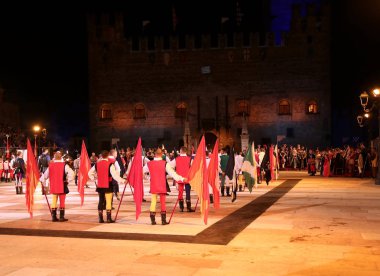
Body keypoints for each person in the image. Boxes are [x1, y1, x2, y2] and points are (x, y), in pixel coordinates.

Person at [144, 148, 186, 225]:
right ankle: (163, 220)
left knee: (153, 201)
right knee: (162, 202)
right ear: (161, 154)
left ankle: (152, 220)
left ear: (155, 154)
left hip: (153, 184)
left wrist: (148, 178)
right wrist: (182, 179)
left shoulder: (149, 163)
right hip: (162, 184)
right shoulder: (165, 163)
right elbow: (173, 174)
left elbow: (141, 172)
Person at [88, 150, 127, 223]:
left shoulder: (97, 164)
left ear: (101, 156)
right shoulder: (110, 164)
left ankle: (100, 218)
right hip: (108, 185)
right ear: (108, 155)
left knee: (101, 201)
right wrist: (123, 180)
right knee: (108, 201)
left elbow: (89, 173)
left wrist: (94, 178)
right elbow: (114, 176)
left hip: (100, 185)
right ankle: (108, 218)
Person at [40, 150, 75, 222]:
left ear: (54, 158)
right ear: (61, 157)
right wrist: (68, 180)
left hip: (54, 185)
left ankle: (54, 217)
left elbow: (45, 176)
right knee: (62, 201)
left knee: (54, 200)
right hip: (62, 185)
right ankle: (62, 217)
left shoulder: (51, 166)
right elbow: (72, 174)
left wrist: (42, 181)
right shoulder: (65, 165)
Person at [171, 146, 194, 212]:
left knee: (180, 192)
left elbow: (170, 167)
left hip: (179, 178)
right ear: (186, 151)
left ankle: (181, 207)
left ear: (180, 151)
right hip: (187, 178)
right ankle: (189, 207)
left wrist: (174, 173)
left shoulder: (176, 159)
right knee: (188, 192)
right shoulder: (190, 159)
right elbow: (193, 168)